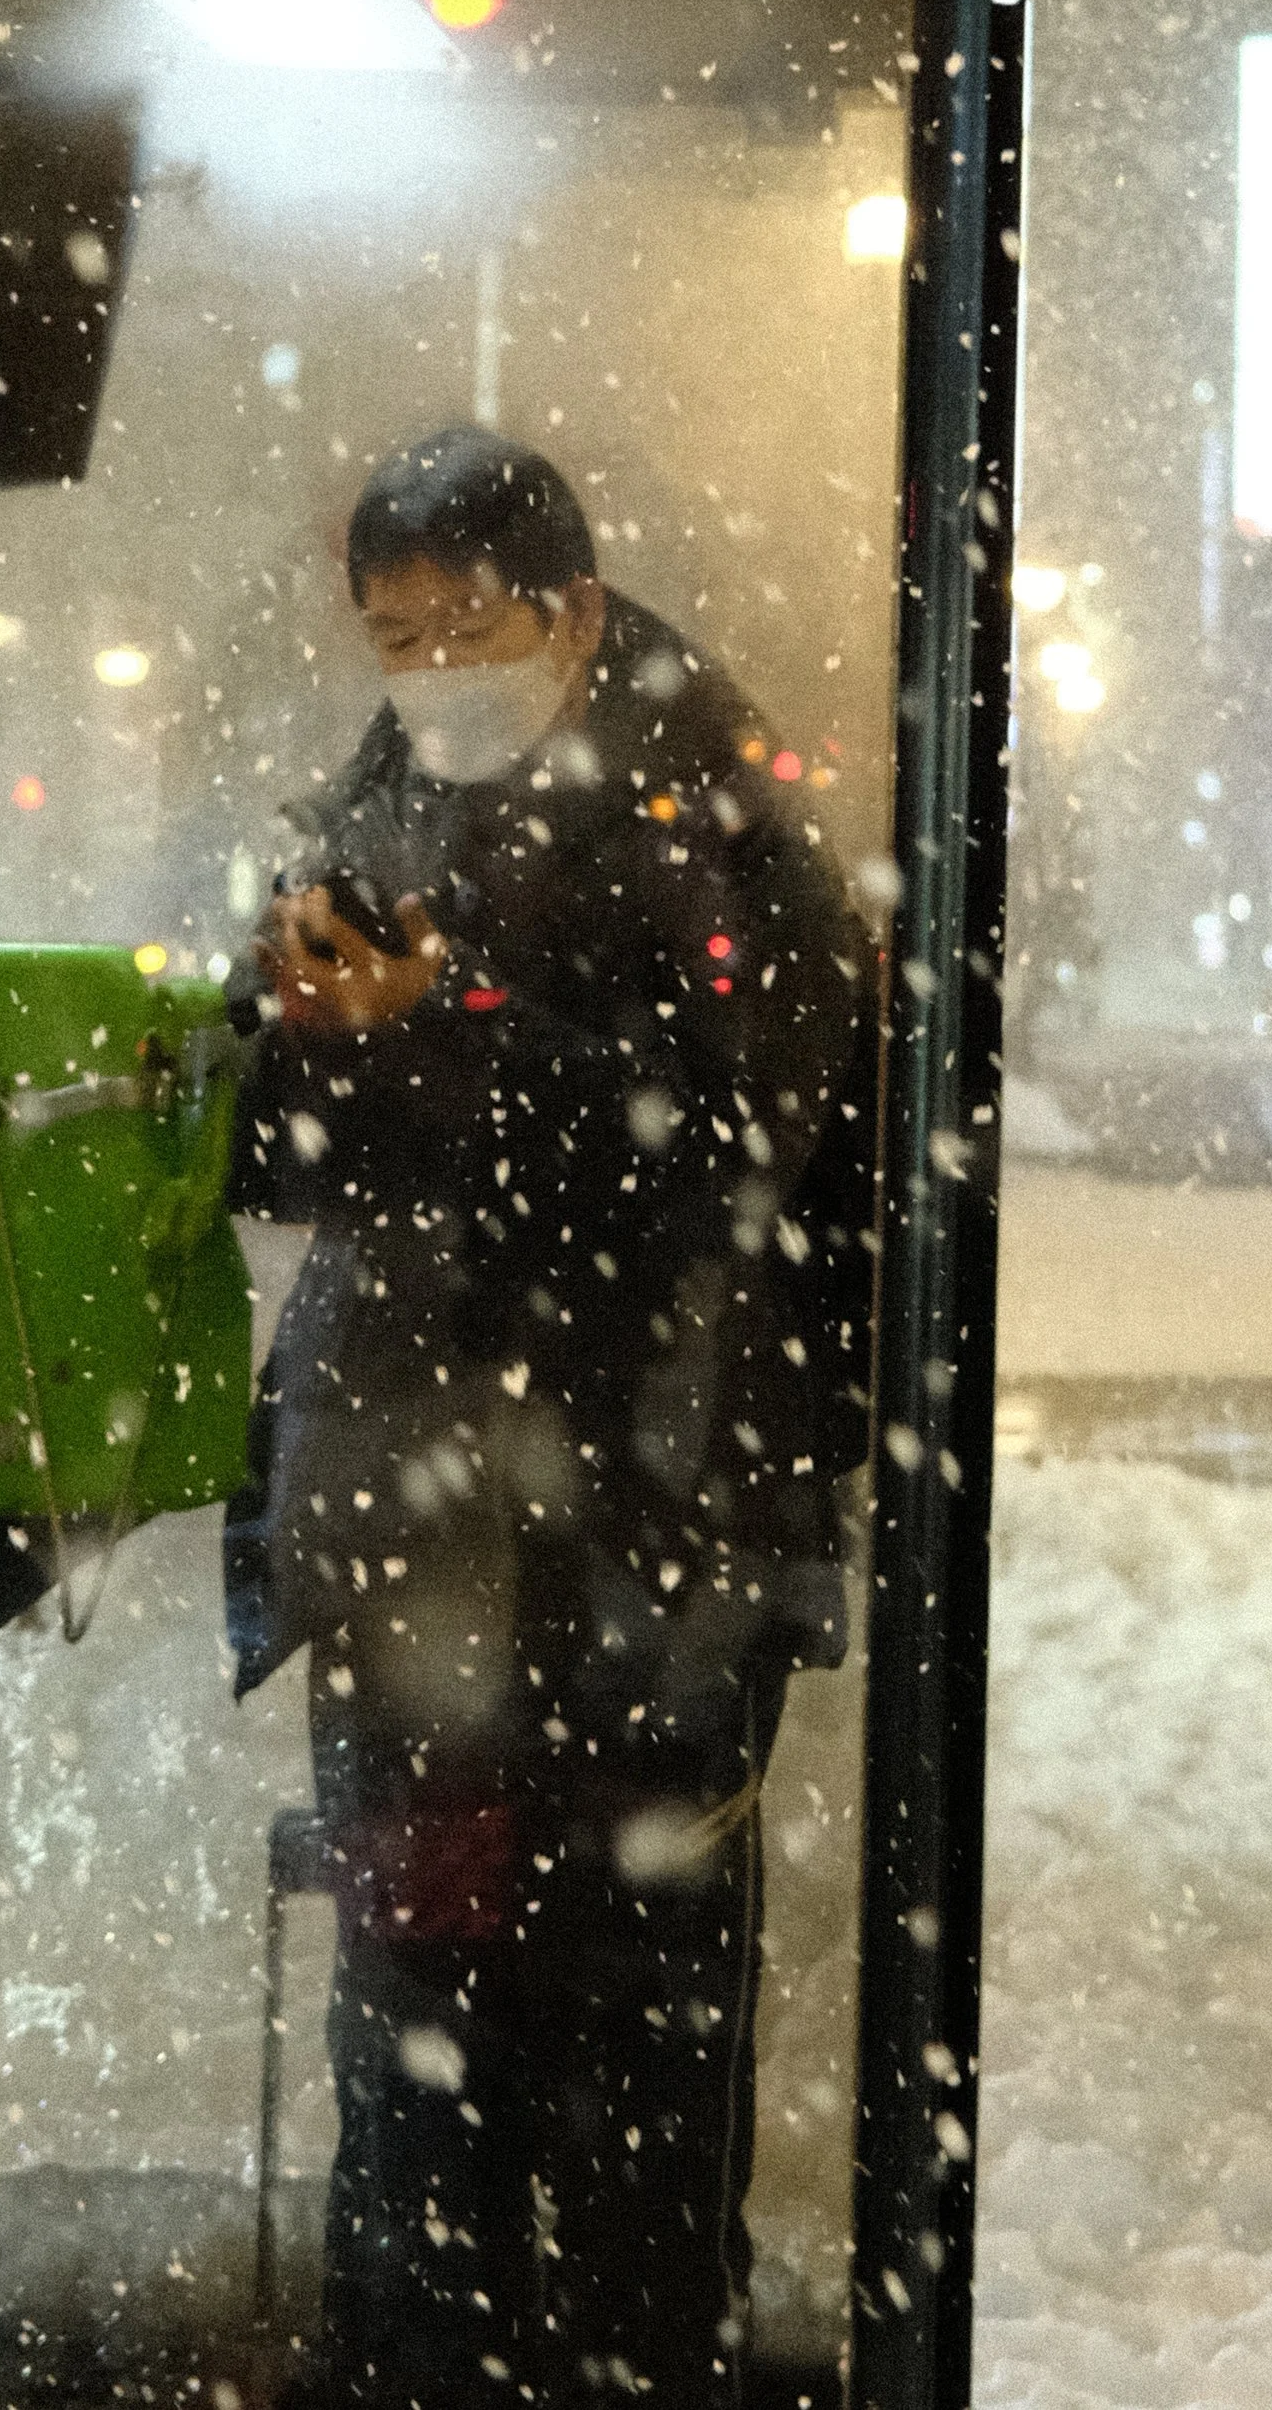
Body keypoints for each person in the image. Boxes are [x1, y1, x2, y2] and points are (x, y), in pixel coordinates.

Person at [223, 426, 876, 2410]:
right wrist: (289, 1033)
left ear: (573, 608)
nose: (429, 670)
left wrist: (443, 1037)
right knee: (413, 2047)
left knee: (631, 2063)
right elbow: (299, 1154)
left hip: (649, 1537)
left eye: (462, 626)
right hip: (422, 1537)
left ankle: (615, 2366)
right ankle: (418, 2363)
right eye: (392, 635)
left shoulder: (721, 815)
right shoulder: (391, 791)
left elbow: (711, 1168)